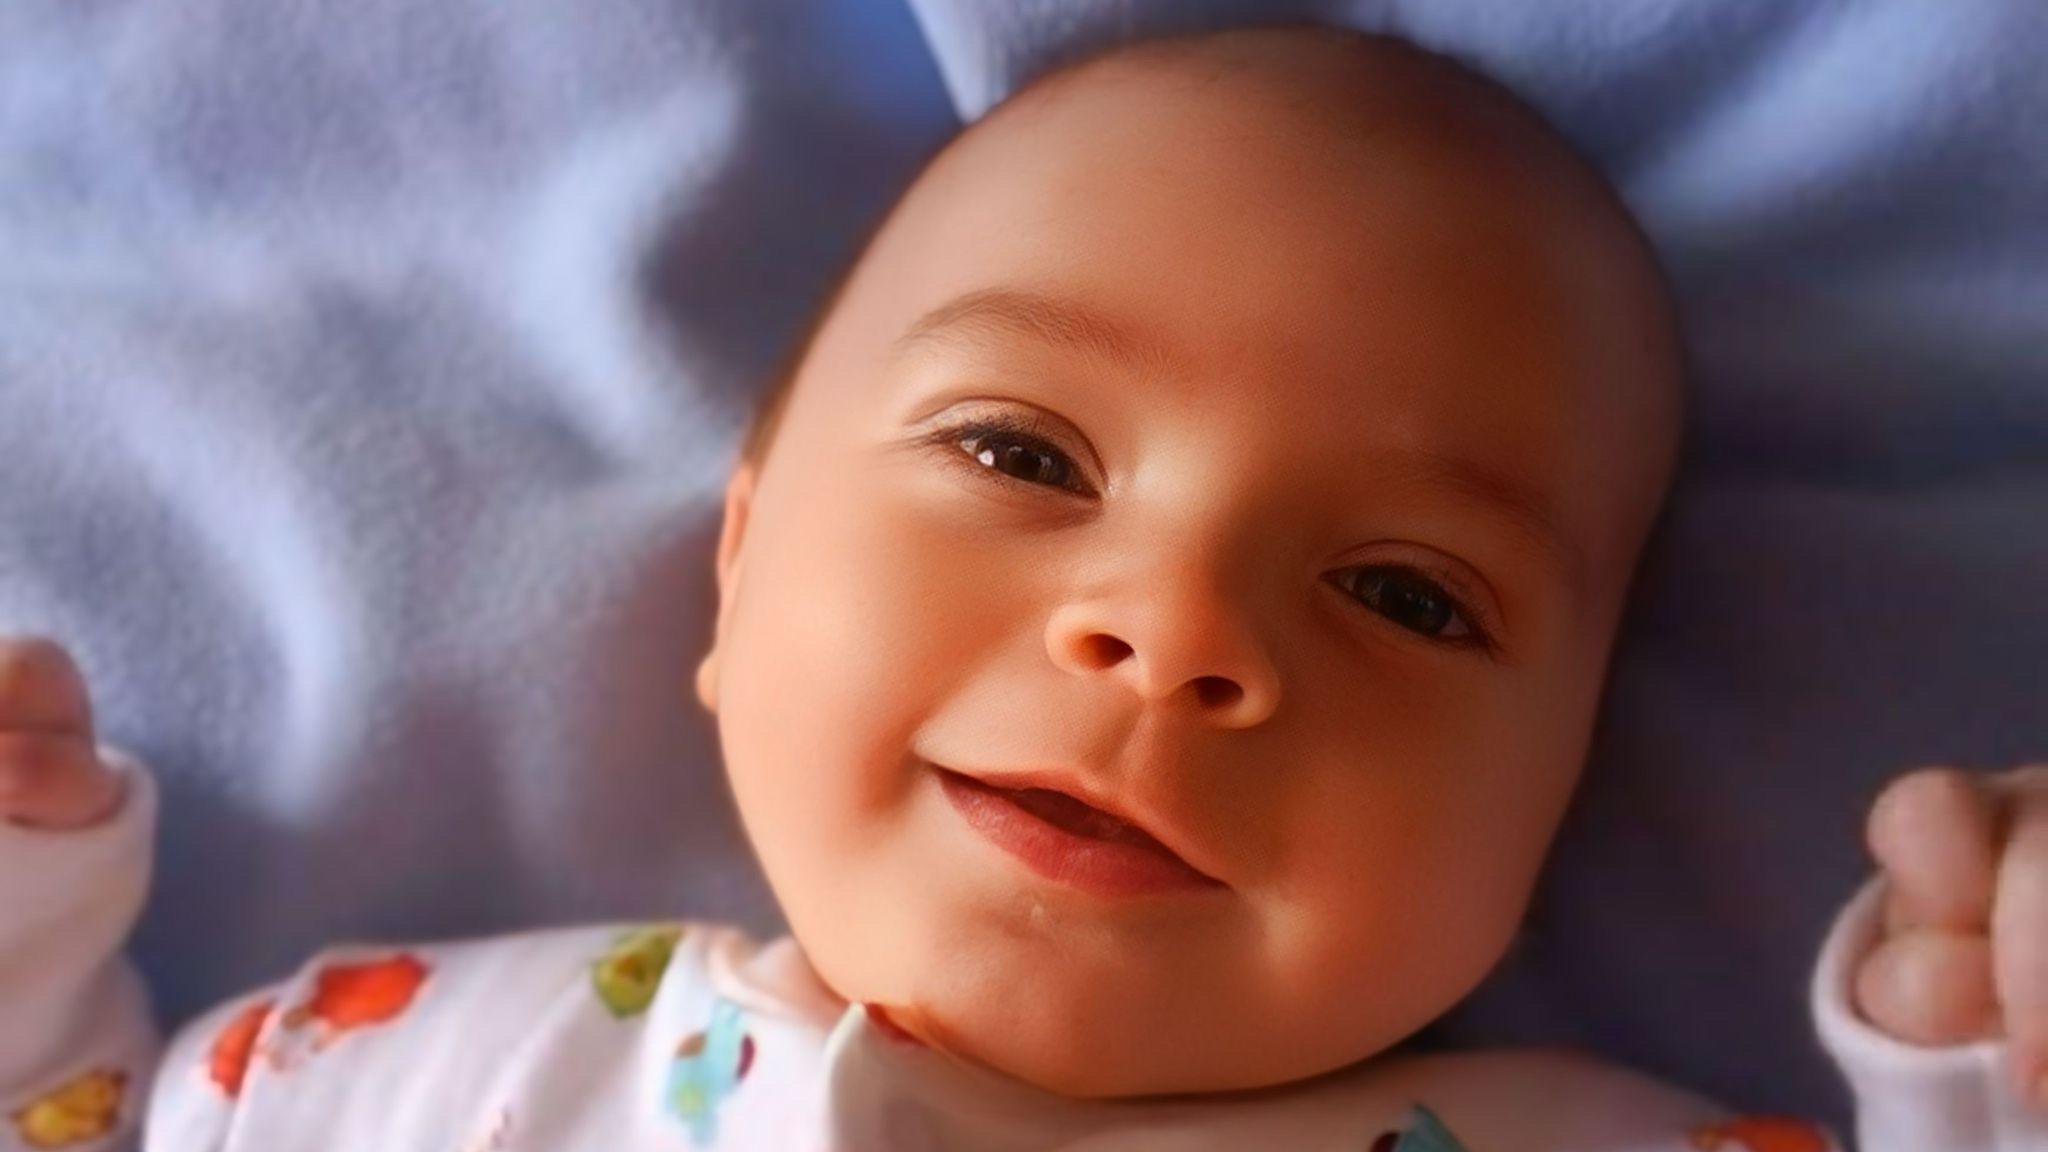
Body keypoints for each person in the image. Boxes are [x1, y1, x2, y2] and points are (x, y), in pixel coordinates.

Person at [2, 24, 2042, 1152]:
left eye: (1412, 597)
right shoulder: (393, 1076)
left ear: (1565, 780)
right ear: (740, 550)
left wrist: (1989, 1066)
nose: (1175, 634)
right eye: (1019, 456)